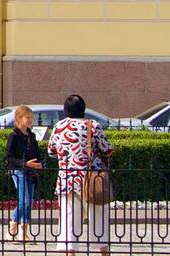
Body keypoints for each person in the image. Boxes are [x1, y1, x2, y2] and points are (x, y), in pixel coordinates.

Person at [49, 94, 112, 256]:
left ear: (65, 111)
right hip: (92, 180)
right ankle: (104, 252)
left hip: (68, 180)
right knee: (99, 218)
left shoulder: (59, 127)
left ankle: (71, 253)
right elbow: (108, 149)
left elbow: (51, 151)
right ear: (83, 110)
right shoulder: (93, 126)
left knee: (69, 220)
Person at [5, 105, 46, 244]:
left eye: (31, 118)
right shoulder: (14, 136)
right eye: (27, 117)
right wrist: (24, 163)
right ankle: (14, 228)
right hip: (18, 171)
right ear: (19, 118)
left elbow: (36, 154)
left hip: (31, 172)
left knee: (29, 203)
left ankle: (23, 231)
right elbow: (9, 158)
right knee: (25, 200)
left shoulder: (32, 136)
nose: (30, 120)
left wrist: (38, 164)